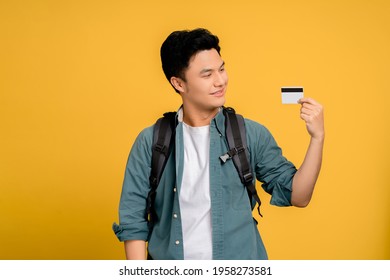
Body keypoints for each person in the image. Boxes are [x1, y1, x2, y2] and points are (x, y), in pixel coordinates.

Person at [112, 28, 324, 260]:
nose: (220, 81)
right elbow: (133, 221)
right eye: (207, 74)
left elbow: (298, 196)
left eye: (221, 69)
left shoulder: (250, 134)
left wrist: (317, 138)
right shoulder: (151, 142)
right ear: (179, 83)